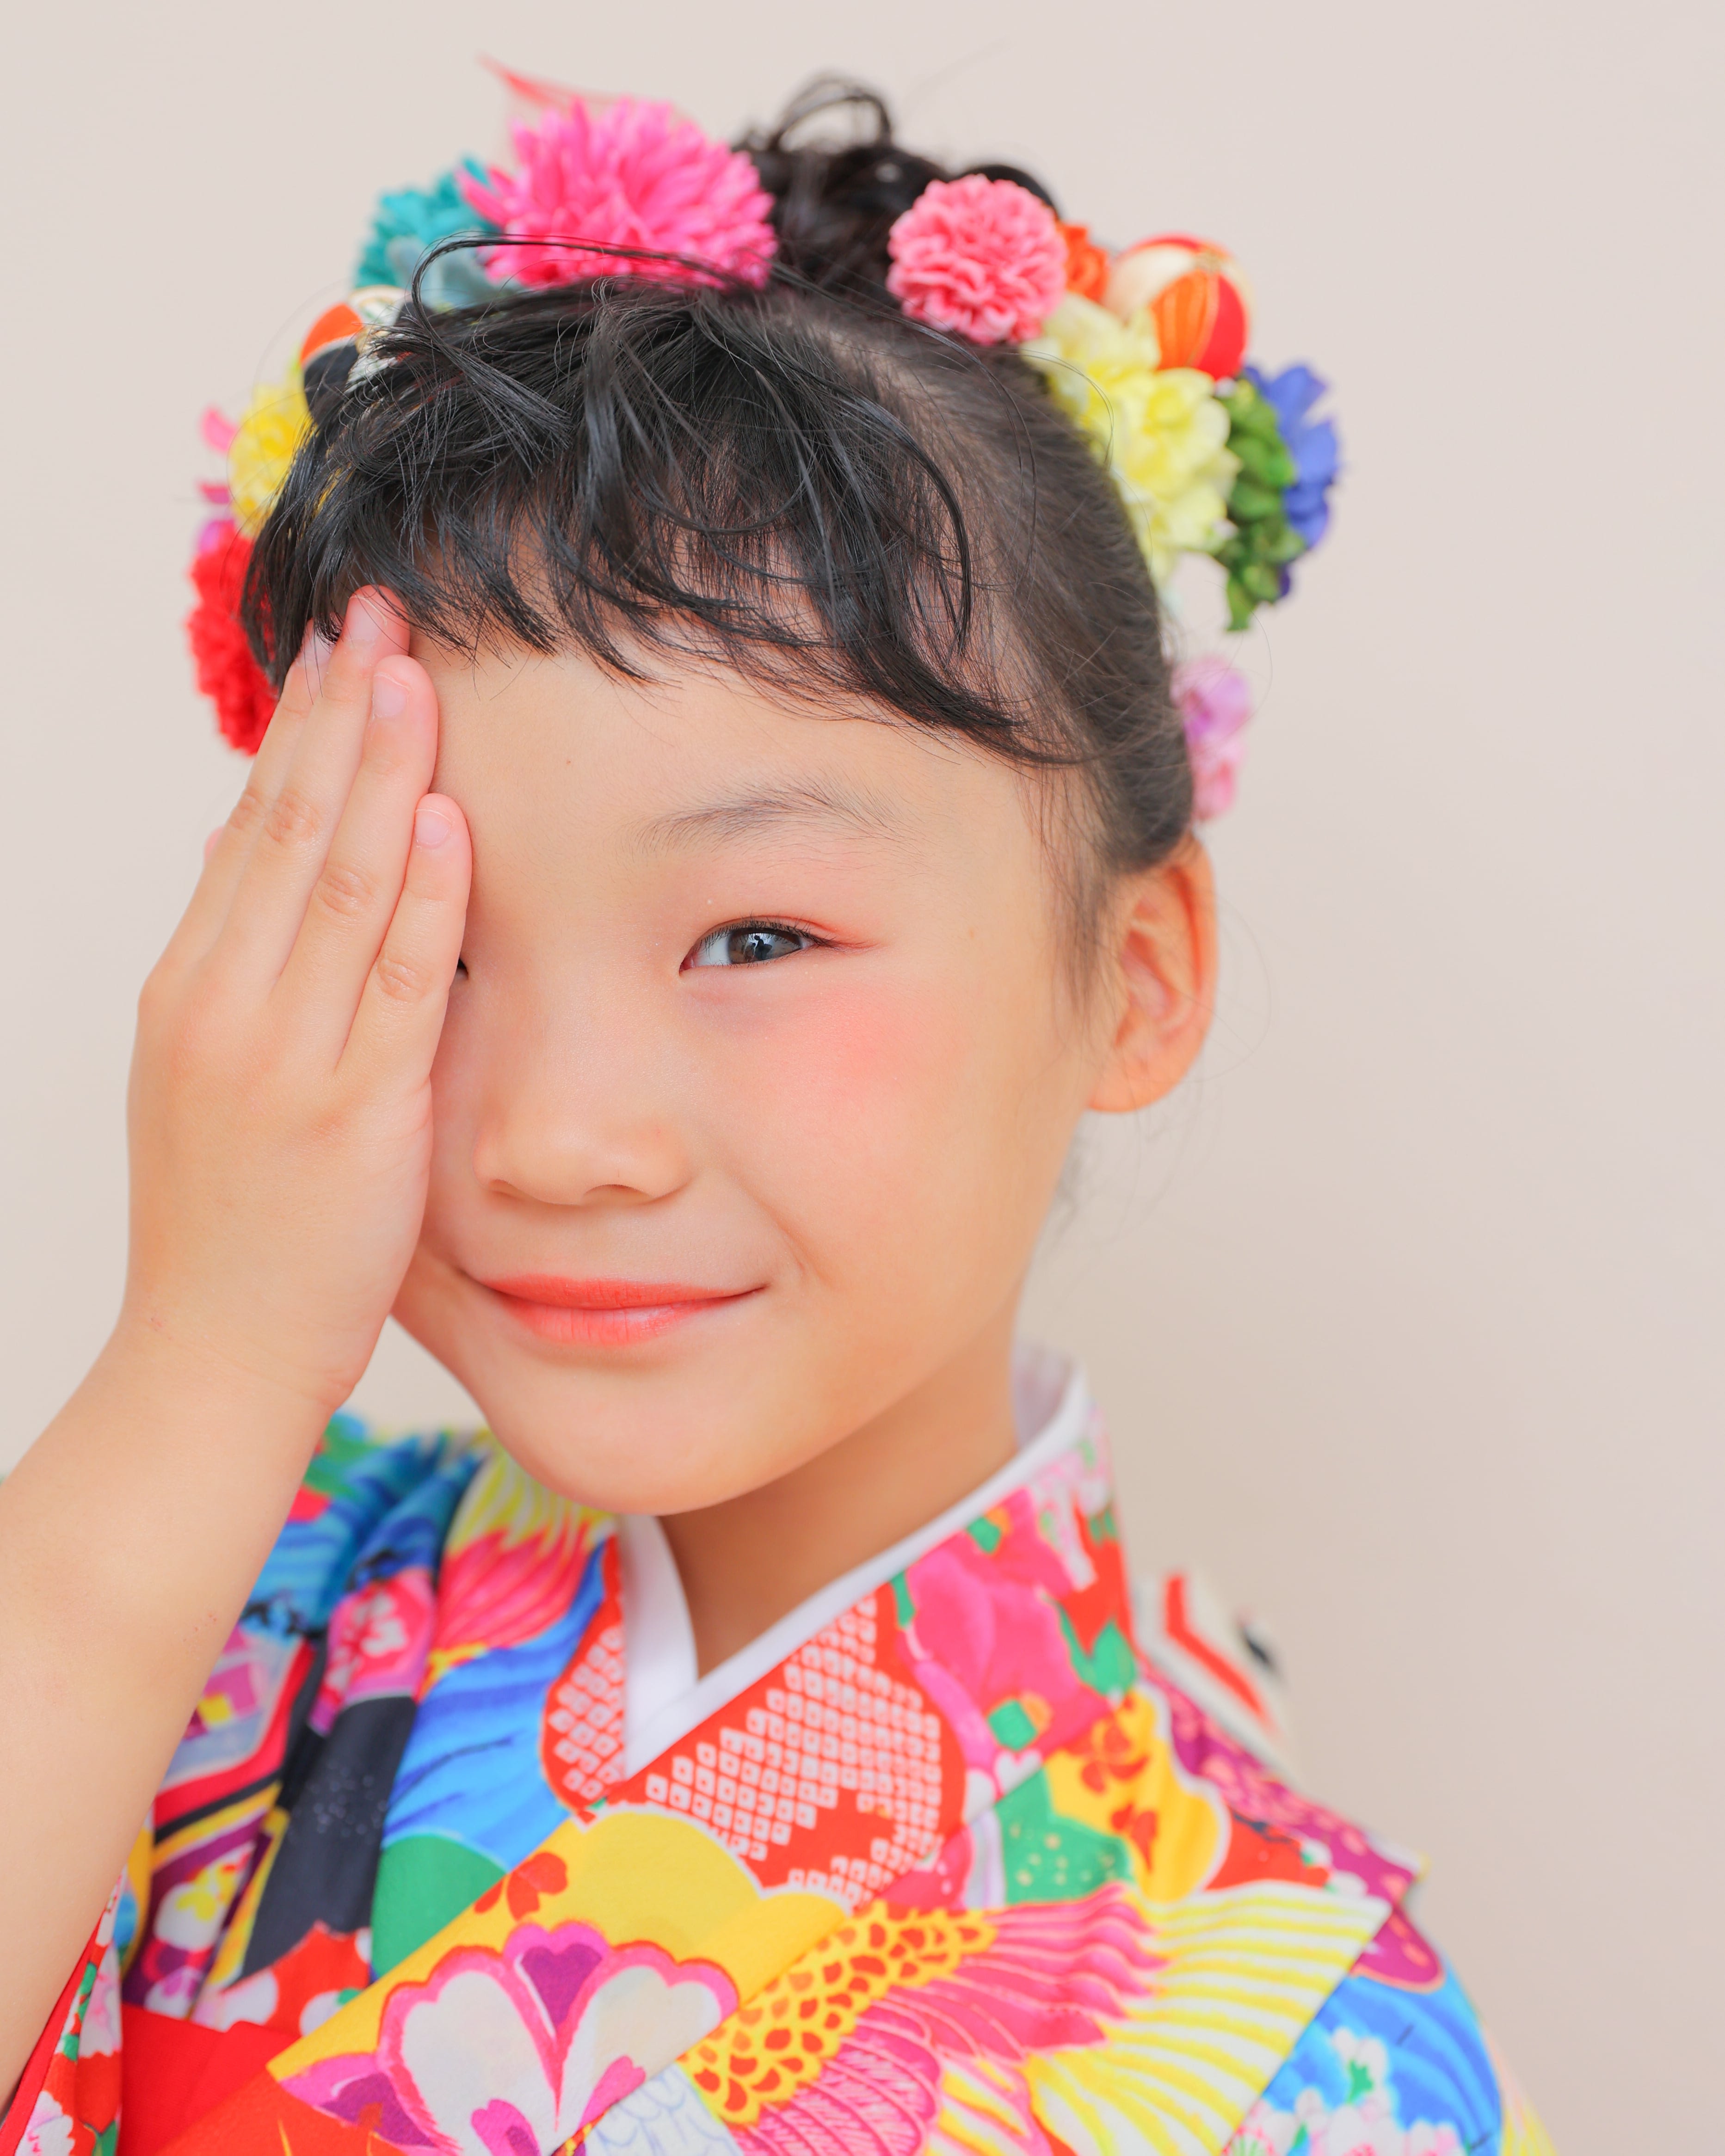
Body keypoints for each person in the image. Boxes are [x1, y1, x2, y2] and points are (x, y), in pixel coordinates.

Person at [0, 74, 1552, 2156]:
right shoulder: (175, 1593)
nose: (564, 1136)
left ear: (1140, 968)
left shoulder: (1311, 2040)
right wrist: (198, 1358)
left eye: (753, 937)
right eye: (435, 943)